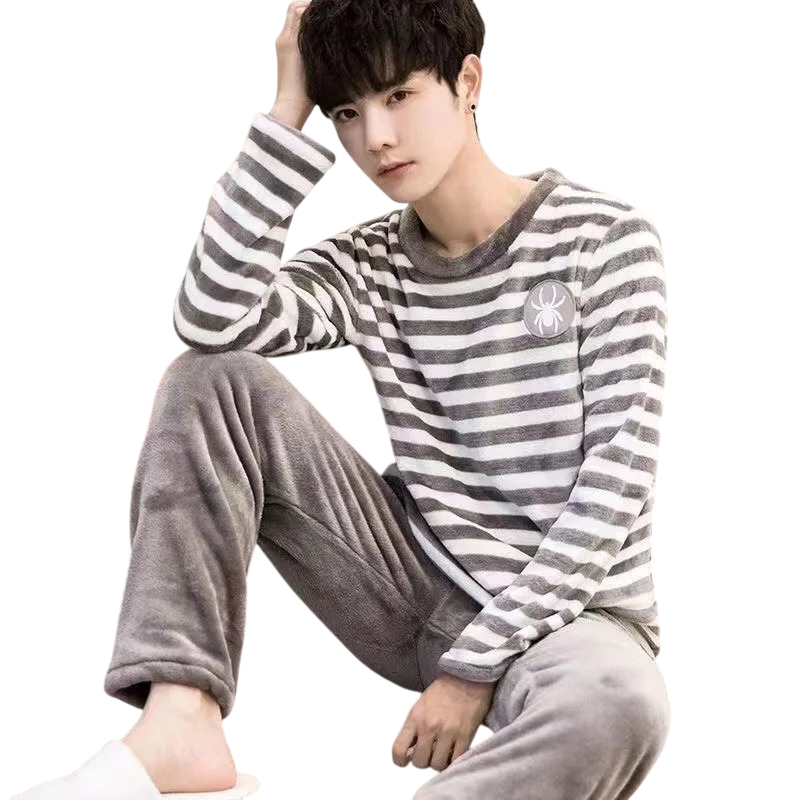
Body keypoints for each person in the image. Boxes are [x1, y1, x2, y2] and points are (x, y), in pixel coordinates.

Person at [12, 1, 670, 799]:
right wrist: (288, 107)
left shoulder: (604, 239)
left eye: (399, 96)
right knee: (210, 378)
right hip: (408, 580)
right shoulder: (369, 264)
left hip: (571, 623)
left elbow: (612, 492)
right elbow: (213, 319)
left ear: (468, 81)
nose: (376, 138)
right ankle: (181, 719)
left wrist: (474, 667)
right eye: (347, 113)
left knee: (623, 701)